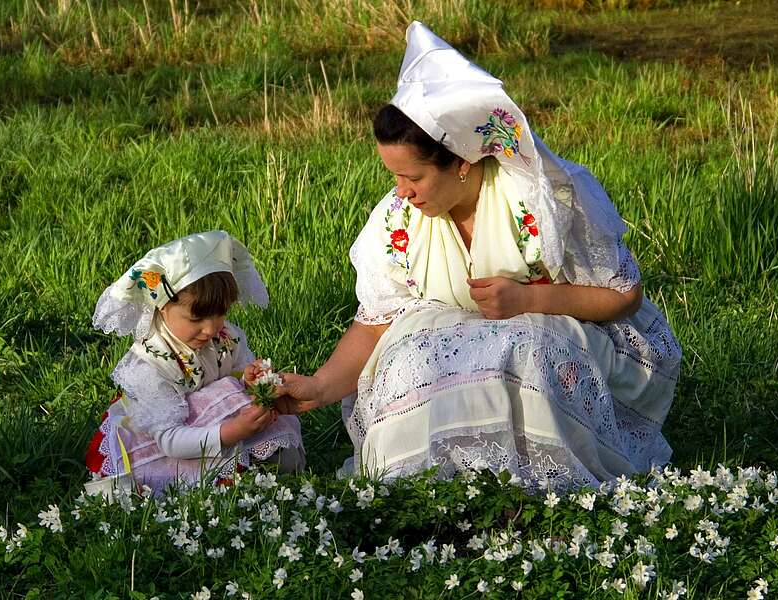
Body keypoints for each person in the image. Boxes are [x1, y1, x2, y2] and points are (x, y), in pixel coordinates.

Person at [277, 22, 681, 491]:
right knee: (409, 355)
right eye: (394, 177)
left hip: (555, 322)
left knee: (521, 350)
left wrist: (531, 301)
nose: (401, 192)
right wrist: (320, 386)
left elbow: (624, 297)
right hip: (448, 333)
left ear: (463, 163)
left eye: (413, 177)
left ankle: (529, 491)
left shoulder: (542, 200)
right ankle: (424, 492)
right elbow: (375, 322)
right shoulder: (398, 221)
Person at [86, 230, 304, 496]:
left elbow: (233, 373)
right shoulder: (149, 366)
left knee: (287, 452)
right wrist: (229, 433)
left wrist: (248, 377)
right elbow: (169, 439)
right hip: (170, 443)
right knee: (171, 486)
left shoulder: (227, 338)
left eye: (221, 313)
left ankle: (252, 469)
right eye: (196, 318)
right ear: (163, 307)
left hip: (219, 426)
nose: (211, 328)